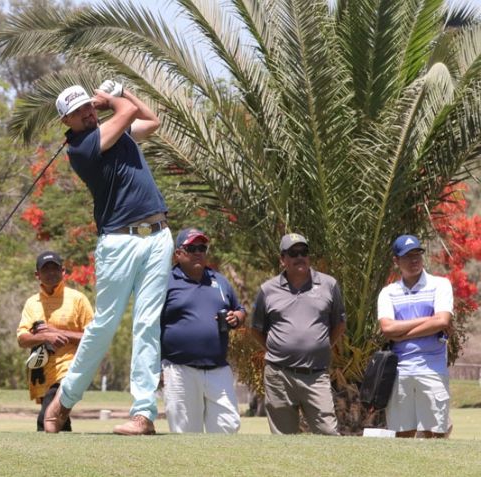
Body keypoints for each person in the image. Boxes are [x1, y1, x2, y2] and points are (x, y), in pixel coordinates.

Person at [44, 82, 173, 435]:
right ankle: (64, 401)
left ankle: (143, 414)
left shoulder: (114, 132)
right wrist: (111, 99)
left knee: (147, 325)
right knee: (103, 326)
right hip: (119, 242)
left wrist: (124, 91)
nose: (88, 112)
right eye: (79, 111)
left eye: (89, 106)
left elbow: (151, 120)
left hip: (158, 235)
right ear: (66, 121)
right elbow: (127, 113)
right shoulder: (82, 147)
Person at [250, 233, 346, 435]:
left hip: (316, 374)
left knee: (328, 433)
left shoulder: (329, 285)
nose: (300, 257)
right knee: (284, 440)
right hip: (279, 376)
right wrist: (276, 349)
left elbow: (339, 324)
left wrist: (321, 346)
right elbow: (256, 329)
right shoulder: (268, 290)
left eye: (304, 252)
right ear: (282, 259)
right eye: (293, 253)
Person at [160, 228, 245, 433]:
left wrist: (236, 317)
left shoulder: (219, 281)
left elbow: (240, 309)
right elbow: (151, 326)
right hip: (180, 370)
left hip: (218, 369)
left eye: (202, 248)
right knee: (186, 435)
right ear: (178, 254)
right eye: (192, 248)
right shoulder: (165, 282)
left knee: (228, 427)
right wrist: (155, 368)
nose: (198, 252)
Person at [377, 234, 453, 438]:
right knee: (402, 434)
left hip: (432, 369)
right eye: (407, 256)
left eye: (417, 254)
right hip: (400, 370)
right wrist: (428, 320)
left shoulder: (440, 285)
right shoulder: (388, 292)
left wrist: (402, 335)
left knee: (434, 435)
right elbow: (387, 328)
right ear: (396, 261)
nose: (414, 260)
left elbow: (442, 321)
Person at [17, 251, 93, 432]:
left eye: (55, 268)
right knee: (60, 420)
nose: (51, 273)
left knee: (46, 418)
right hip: (41, 372)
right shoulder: (32, 303)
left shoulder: (77, 299)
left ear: (63, 271)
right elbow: (22, 339)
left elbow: (93, 338)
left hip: (69, 368)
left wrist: (58, 333)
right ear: (37, 274)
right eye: (46, 269)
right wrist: (45, 337)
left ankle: (44, 447)